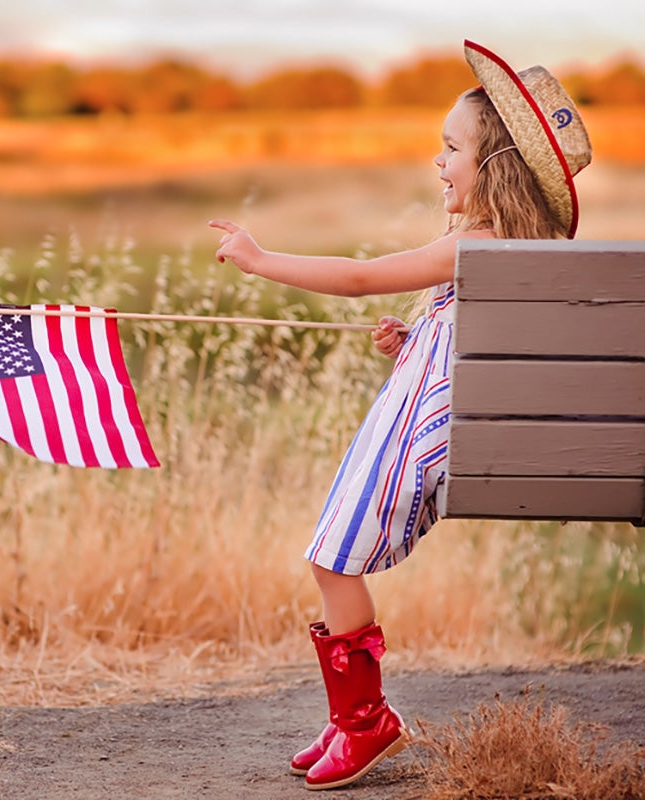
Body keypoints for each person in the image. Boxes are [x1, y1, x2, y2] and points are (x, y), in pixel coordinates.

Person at [210, 40, 592, 791]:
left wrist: (261, 259)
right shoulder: (510, 251)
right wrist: (416, 340)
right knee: (330, 556)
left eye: (451, 147)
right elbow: (487, 356)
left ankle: (368, 722)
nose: (437, 161)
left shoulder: (474, 245)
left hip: (418, 443)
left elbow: (358, 276)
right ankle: (352, 717)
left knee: (333, 558)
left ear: (495, 167)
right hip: (442, 427)